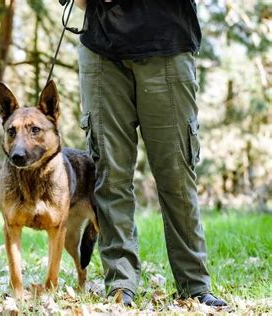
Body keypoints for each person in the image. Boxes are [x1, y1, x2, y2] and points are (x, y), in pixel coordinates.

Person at [74, 0, 227, 307]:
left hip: (167, 43)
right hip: (100, 49)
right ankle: (120, 287)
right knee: (110, 174)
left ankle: (194, 286)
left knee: (176, 175)